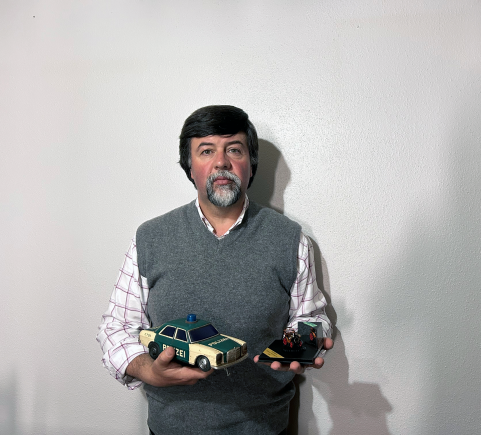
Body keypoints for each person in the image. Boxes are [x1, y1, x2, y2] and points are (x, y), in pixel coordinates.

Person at [96, 105, 333, 435]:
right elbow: (116, 327)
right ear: (190, 167)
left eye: (234, 149)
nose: (221, 162)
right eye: (206, 151)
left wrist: (306, 340)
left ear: (251, 165)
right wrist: (148, 370)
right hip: (170, 428)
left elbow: (311, 318)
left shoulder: (291, 240)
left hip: (264, 428)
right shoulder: (150, 238)